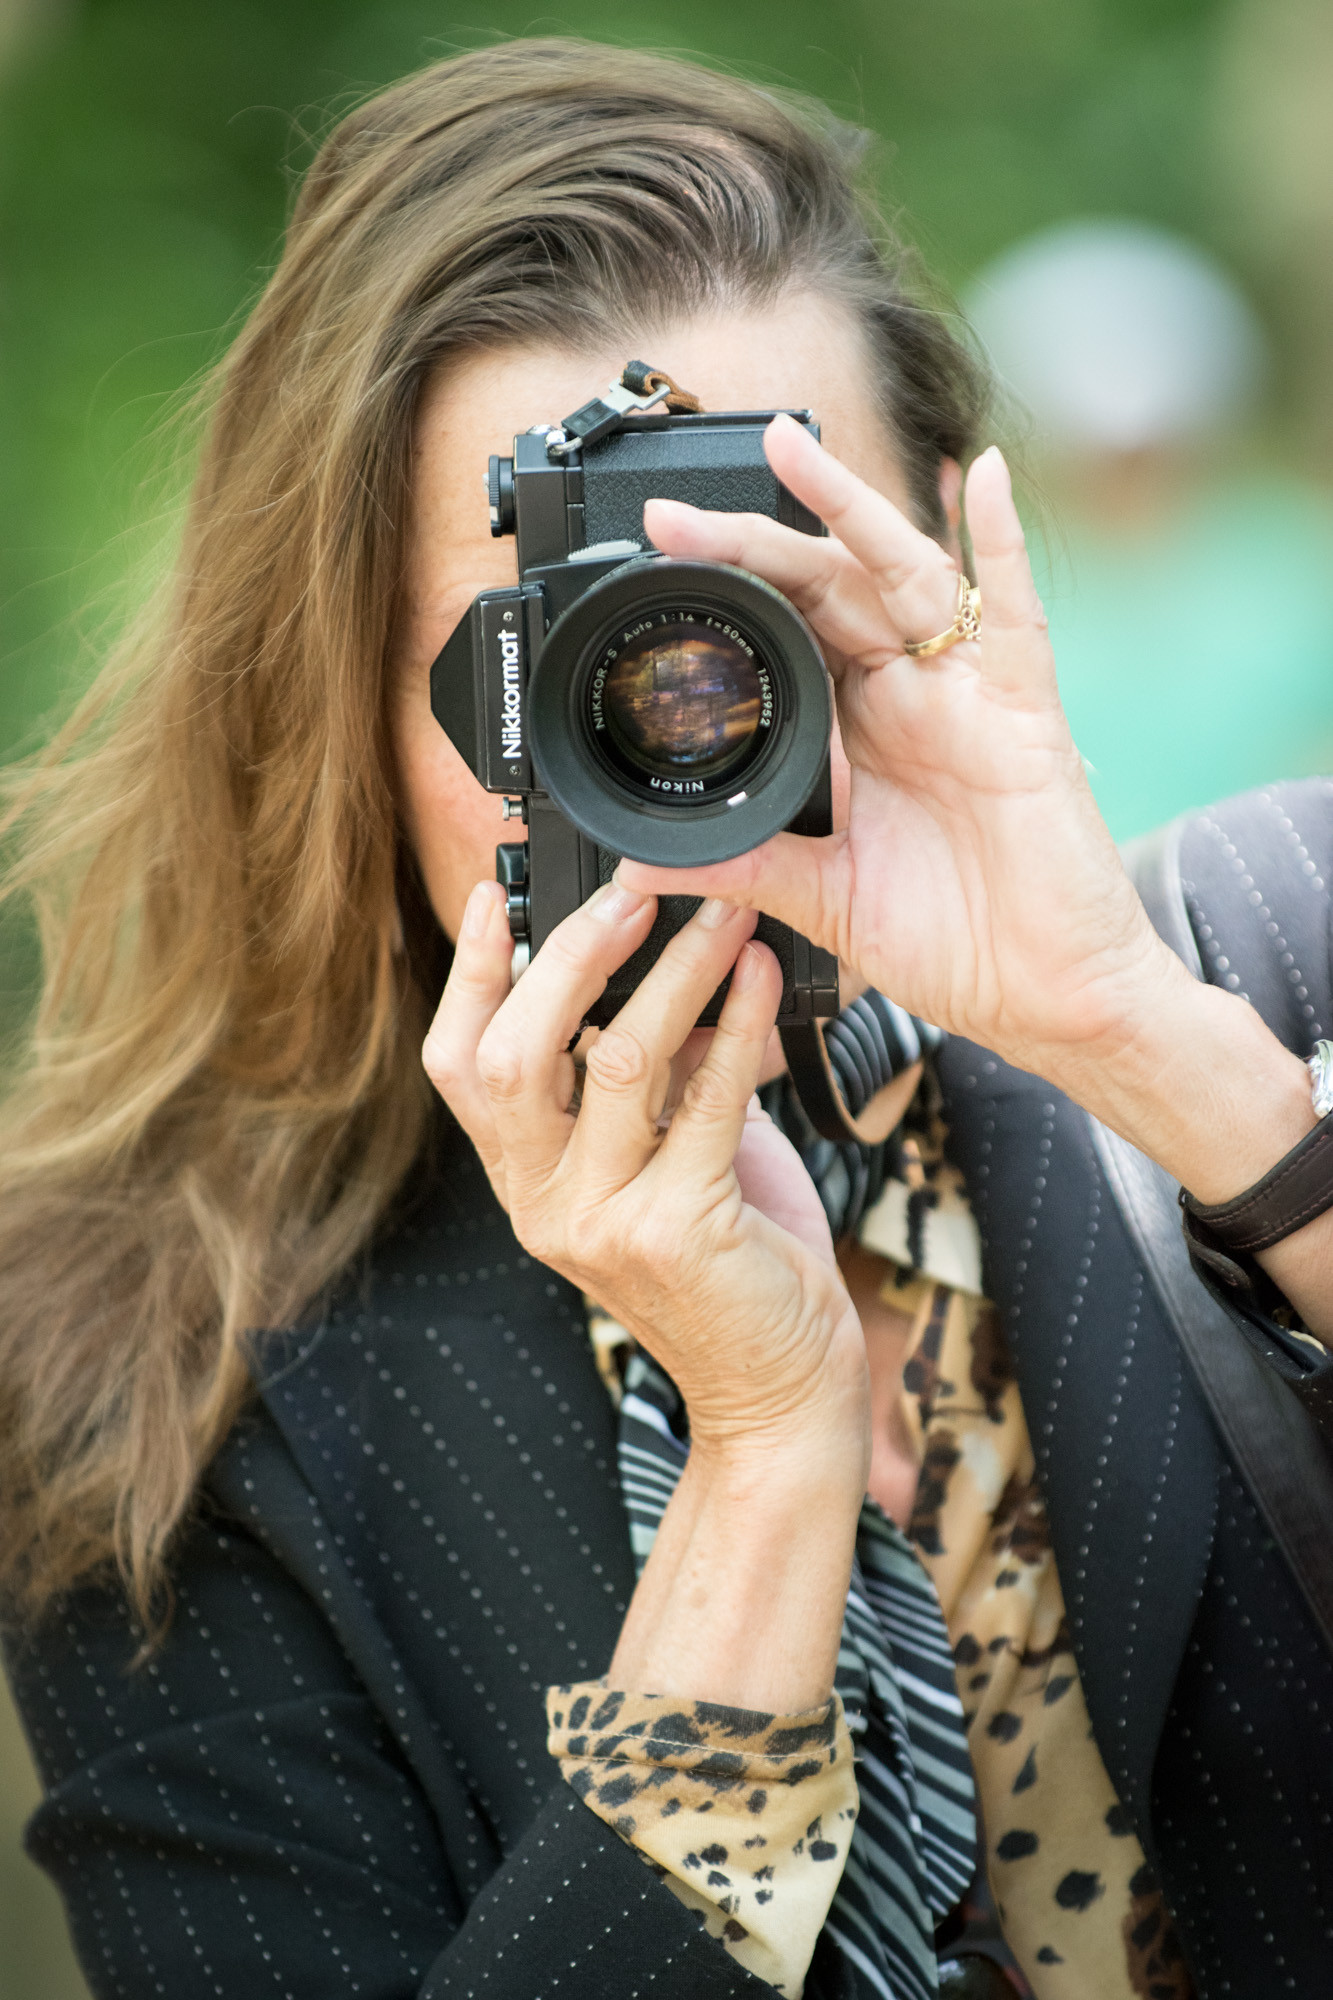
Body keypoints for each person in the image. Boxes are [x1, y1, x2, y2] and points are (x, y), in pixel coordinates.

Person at [1, 39, 1330, 2000]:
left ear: (940, 585)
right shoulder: (162, 1403)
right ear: (344, 713)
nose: (686, 715)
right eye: (560, 648)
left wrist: (1151, 1051)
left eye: (768, 602)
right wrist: (762, 1458)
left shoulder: (1273, 972)